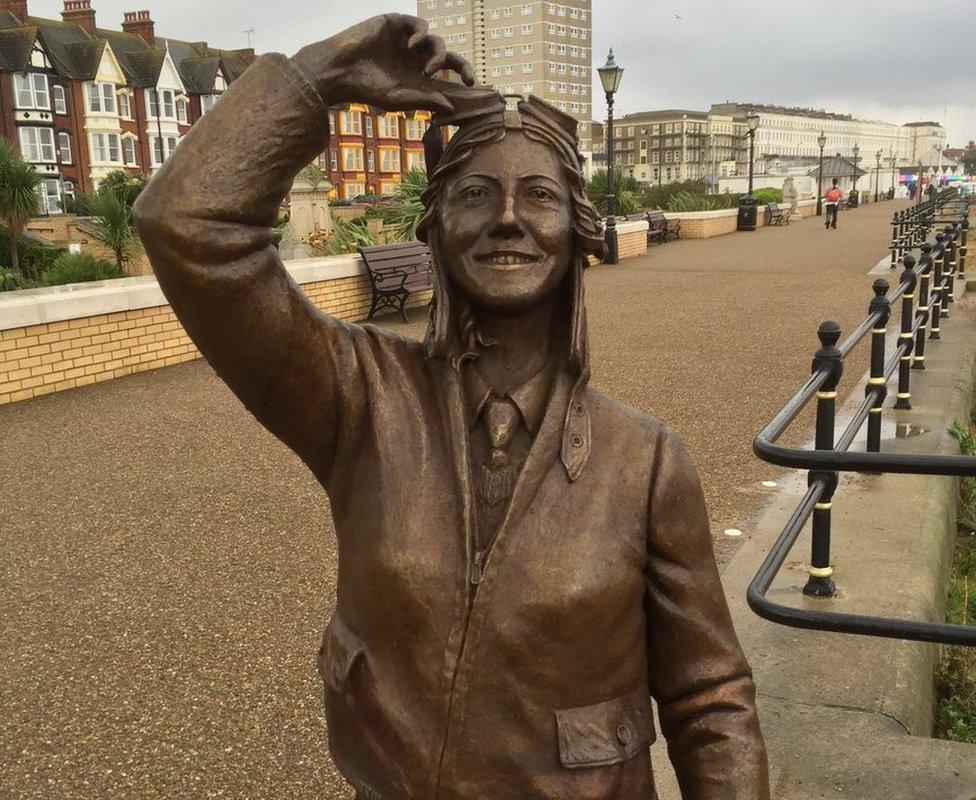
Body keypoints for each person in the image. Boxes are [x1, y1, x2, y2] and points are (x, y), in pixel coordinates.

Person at [134, 14, 768, 800]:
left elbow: (709, 699)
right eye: (475, 194)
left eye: (538, 195)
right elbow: (186, 224)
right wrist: (319, 78)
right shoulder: (359, 398)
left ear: (579, 229)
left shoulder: (644, 461)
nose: (507, 218)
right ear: (435, 226)